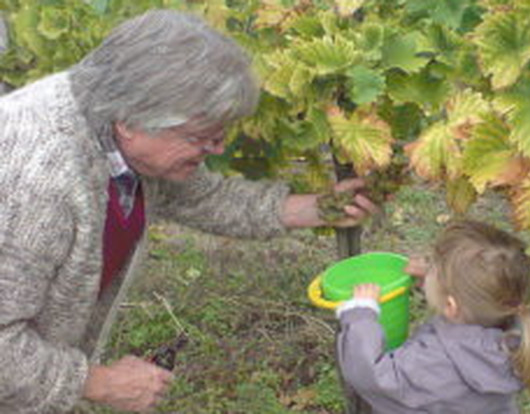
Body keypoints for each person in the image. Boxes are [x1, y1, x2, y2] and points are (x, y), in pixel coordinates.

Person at [0, 9, 379, 414]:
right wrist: (99, 382)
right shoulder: (37, 181)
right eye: (201, 137)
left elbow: (194, 195)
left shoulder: (112, 123)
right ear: (131, 120)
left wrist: (309, 210)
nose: (216, 149)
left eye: (220, 135)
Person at [336, 220, 530, 413]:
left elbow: (371, 378)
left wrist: (361, 316)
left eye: (434, 269)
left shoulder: (432, 363)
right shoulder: (513, 337)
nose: (428, 266)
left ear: (451, 306)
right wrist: (436, 282)